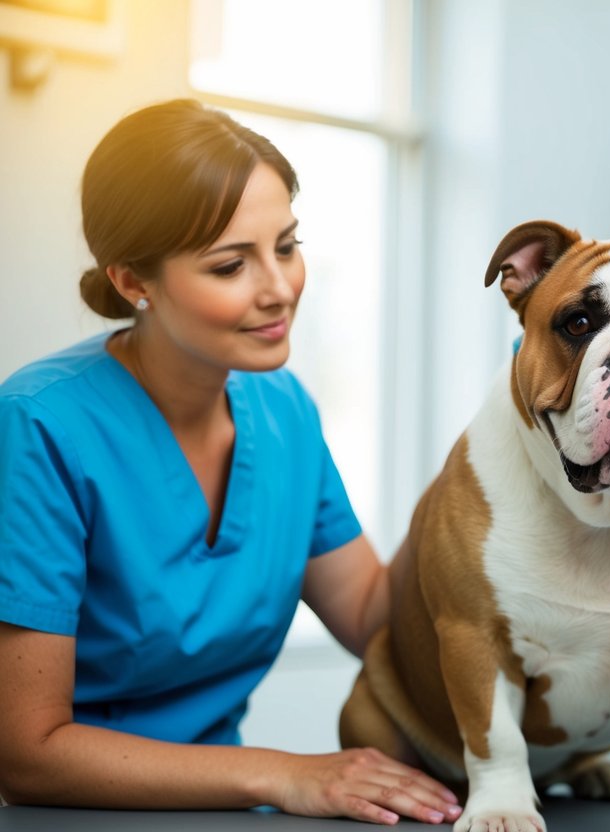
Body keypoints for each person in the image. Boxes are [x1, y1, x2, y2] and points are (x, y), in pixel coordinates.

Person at [0, 99, 462, 826]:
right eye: (229, 264)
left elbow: (376, 619)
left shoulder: (284, 411)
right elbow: (27, 754)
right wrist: (282, 773)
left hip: (219, 812)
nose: (278, 288)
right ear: (132, 282)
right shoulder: (39, 423)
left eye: (286, 245)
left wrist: (481, 470)